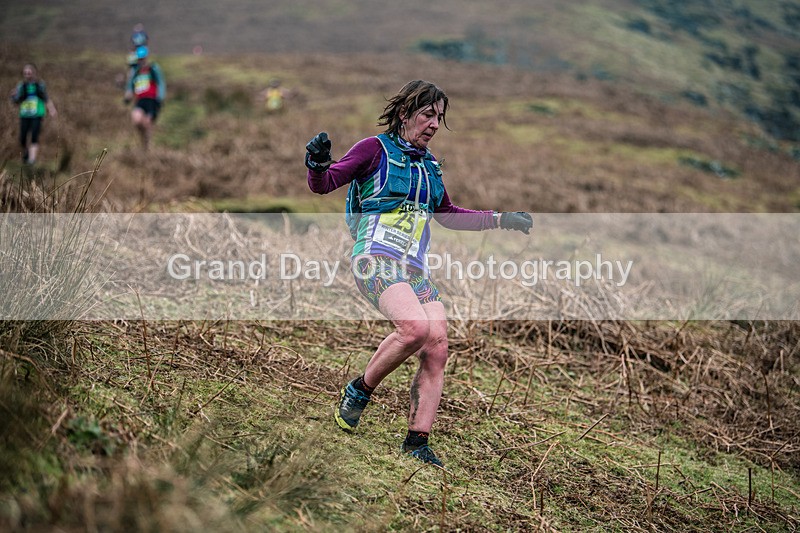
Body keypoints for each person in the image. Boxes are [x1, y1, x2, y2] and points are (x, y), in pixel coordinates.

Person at [305, 80, 533, 467]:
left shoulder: (430, 165)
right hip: (374, 257)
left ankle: (417, 441)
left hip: (412, 269)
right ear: (404, 114)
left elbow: (447, 214)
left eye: (440, 118)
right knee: (414, 329)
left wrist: (501, 219)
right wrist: (316, 163)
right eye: (427, 115)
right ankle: (359, 391)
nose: (434, 125)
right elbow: (324, 184)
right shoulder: (373, 150)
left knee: (437, 343)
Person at [9, 63, 58, 165]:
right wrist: (13, 96)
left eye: (29, 73)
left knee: (34, 136)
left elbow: (46, 98)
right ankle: (26, 152)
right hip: (24, 115)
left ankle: (32, 160)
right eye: (25, 73)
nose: (27, 75)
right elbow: (16, 101)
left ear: (34, 73)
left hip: (37, 115)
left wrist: (52, 110)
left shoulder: (39, 85)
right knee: (22, 138)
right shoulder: (21, 86)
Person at [124, 46, 165, 149]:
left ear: (146, 57)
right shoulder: (136, 71)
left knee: (147, 123)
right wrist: (128, 93)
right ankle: (143, 139)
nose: (141, 60)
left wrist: (160, 98)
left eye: (142, 58)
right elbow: (131, 84)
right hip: (140, 100)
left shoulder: (152, 69)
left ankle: (147, 146)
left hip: (152, 100)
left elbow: (161, 83)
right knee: (137, 120)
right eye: (139, 58)